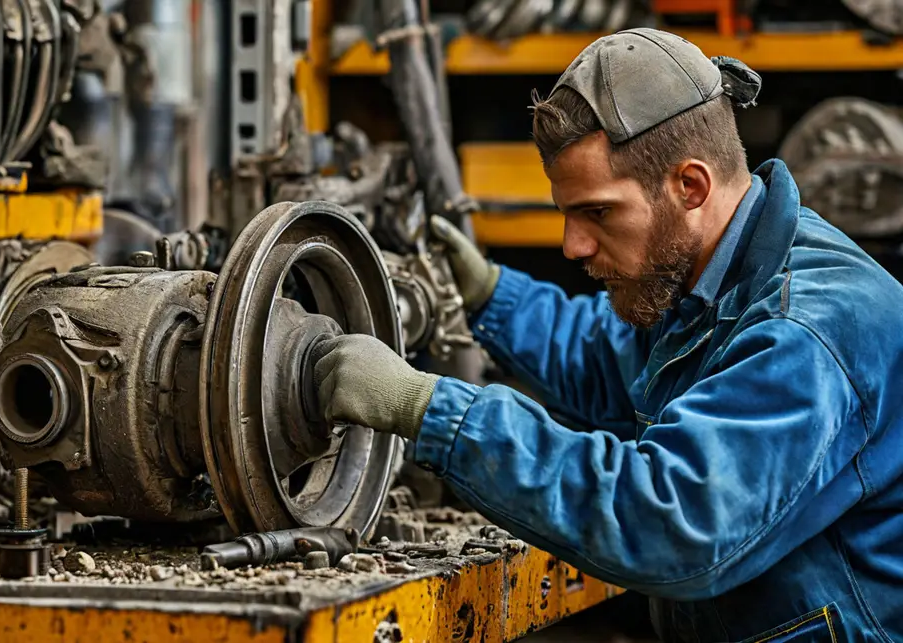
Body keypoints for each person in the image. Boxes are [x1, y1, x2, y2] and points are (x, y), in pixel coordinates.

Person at [312, 28, 903, 642]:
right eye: (566, 215)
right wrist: (492, 293)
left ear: (690, 187)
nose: (573, 246)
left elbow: (671, 519)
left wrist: (425, 407)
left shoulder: (811, 332)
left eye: (597, 213)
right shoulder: (714, 281)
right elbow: (606, 358)